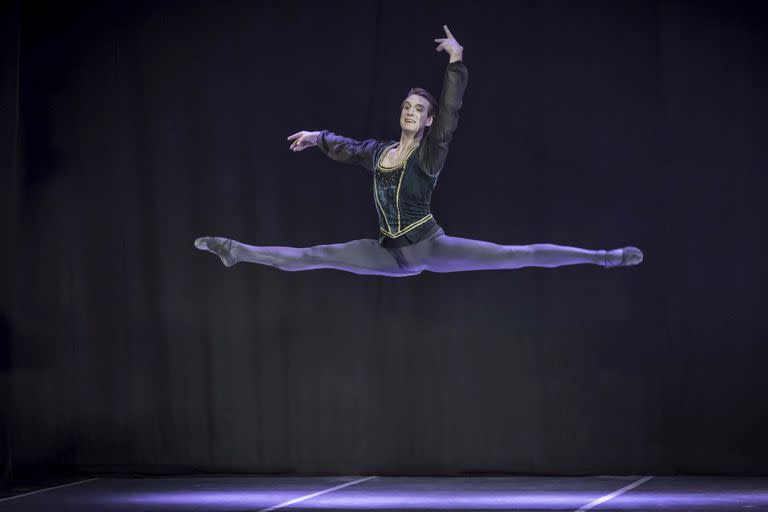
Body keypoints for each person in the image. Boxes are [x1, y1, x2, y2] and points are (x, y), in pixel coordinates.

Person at [194, 25, 643, 277]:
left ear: (427, 121)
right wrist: (316, 137)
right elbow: (348, 148)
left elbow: (449, 116)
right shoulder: (380, 151)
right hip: (387, 252)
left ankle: (603, 257)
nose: (411, 112)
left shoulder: (429, 154)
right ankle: (234, 249)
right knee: (316, 255)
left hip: (429, 248)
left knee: (512, 254)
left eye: (419, 110)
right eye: (406, 106)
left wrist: (456, 63)